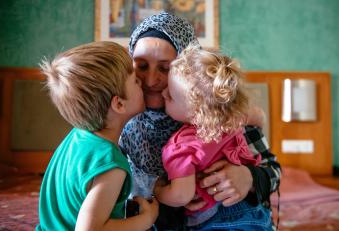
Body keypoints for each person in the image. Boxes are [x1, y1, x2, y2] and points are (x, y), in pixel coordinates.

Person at [119, 12, 281, 230]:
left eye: (165, 68)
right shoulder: (118, 121)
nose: (150, 80)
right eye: (142, 66)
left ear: (188, 70)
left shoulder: (225, 113)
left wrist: (249, 178)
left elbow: (274, 172)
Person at [37, 41, 159, 231]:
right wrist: (147, 219)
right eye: (135, 80)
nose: (142, 82)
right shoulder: (110, 164)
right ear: (119, 104)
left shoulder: (79, 134)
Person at [153, 44, 269, 229]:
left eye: (171, 96)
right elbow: (257, 116)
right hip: (255, 213)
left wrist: (158, 191)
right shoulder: (231, 120)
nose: (163, 93)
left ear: (197, 113)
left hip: (215, 221)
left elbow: (181, 196)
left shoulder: (181, 146)